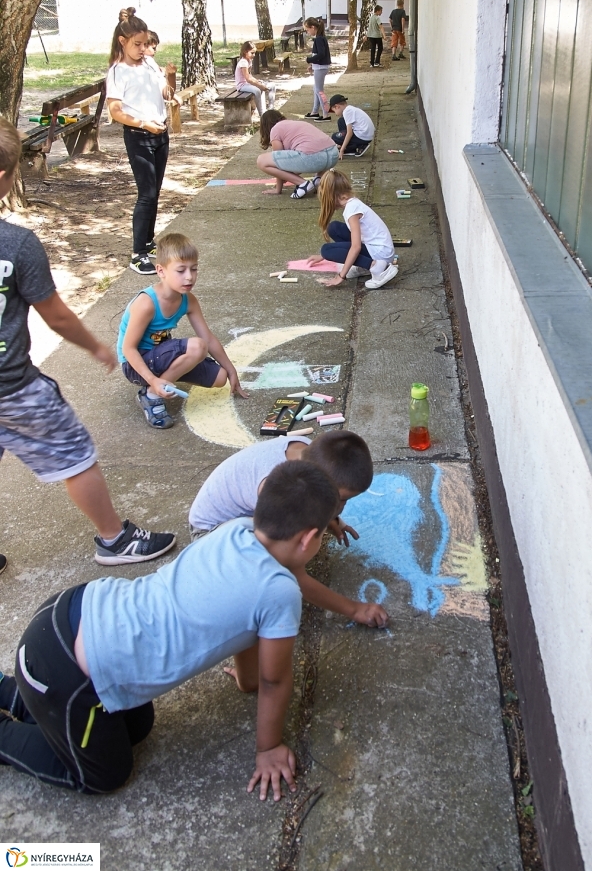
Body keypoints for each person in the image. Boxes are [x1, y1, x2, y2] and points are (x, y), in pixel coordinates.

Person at [0, 462, 382, 797]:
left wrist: (246, 680)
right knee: (105, 774)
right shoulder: (279, 594)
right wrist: (268, 748)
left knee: (137, 726)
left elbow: (252, 623)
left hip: (74, 611)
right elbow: (276, 682)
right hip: (68, 671)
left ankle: (16, 692)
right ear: (309, 539)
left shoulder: (236, 530)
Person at [0, 117, 176, 570]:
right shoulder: (17, 245)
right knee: (76, 455)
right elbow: (55, 315)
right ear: (4, 178)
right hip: (13, 388)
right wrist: (97, 347)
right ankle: (114, 540)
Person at [189, 431, 388, 630]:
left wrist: (331, 518)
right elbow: (295, 575)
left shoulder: (309, 452)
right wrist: (355, 610)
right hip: (209, 536)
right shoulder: (280, 493)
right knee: (272, 578)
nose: (342, 506)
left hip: (237, 519)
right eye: (341, 499)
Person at [118, 232, 248, 429]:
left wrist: (231, 369)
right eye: (181, 270)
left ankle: (163, 381)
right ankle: (151, 395)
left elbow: (209, 338)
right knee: (197, 347)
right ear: (161, 271)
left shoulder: (188, 300)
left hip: (158, 358)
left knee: (220, 378)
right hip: (134, 365)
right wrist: (153, 381)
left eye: (194, 269)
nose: (189, 277)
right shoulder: (147, 303)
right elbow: (128, 349)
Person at [106, 8, 174, 276]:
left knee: (155, 192)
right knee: (145, 194)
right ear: (123, 42)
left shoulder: (148, 63)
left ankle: (148, 240)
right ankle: (138, 254)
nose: (144, 49)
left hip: (160, 134)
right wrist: (144, 123)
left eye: (146, 44)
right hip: (139, 137)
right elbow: (115, 111)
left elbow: (166, 92)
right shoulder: (117, 72)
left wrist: (170, 77)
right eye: (138, 44)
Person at [307, 170, 398, 290]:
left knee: (326, 250)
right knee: (334, 228)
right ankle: (364, 266)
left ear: (330, 196)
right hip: (378, 248)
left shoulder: (351, 211)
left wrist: (341, 276)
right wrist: (323, 257)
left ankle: (376, 267)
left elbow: (356, 247)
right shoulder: (353, 203)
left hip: (381, 254)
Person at [256, 111, 339, 199]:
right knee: (309, 152)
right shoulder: (296, 123)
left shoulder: (275, 129)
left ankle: (303, 184)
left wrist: (278, 189)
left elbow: (278, 162)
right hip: (333, 155)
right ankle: (319, 180)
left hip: (314, 157)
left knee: (261, 160)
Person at [303, 17, 331, 120]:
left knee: (319, 90)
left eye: (307, 29)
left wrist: (309, 60)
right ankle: (315, 111)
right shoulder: (320, 37)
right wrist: (312, 64)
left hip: (321, 68)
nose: (307, 32)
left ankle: (325, 114)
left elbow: (321, 54)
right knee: (316, 89)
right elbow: (319, 55)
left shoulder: (319, 39)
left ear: (313, 27)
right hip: (319, 67)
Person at [235, 42, 270, 117]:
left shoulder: (249, 61)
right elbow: (248, 78)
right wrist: (259, 85)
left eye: (255, 53)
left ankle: (269, 110)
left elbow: (250, 75)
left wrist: (258, 82)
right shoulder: (243, 62)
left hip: (247, 84)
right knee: (257, 90)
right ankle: (262, 114)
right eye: (252, 53)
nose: (254, 55)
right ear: (245, 52)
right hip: (242, 85)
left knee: (266, 86)